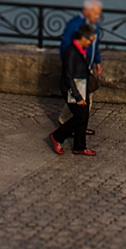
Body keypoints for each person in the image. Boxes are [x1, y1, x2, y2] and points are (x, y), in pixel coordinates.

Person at [50, 27, 96, 156]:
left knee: (84, 115)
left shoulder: (81, 49)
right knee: (80, 116)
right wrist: (77, 96)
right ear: (82, 38)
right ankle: (57, 136)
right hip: (72, 88)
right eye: (89, 40)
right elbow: (68, 76)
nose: (90, 43)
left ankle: (79, 147)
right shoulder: (70, 51)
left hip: (82, 85)